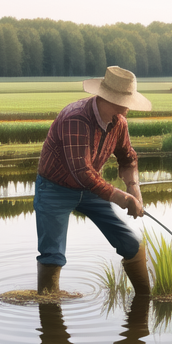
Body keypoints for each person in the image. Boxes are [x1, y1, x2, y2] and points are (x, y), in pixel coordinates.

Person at [34, 66, 151, 296]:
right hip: (54, 189)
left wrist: (133, 188)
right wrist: (121, 198)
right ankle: (49, 315)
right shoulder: (76, 118)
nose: (129, 106)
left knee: (131, 243)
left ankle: (146, 300)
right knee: (52, 255)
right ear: (112, 98)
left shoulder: (119, 123)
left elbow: (128, 159)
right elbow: (82, 171)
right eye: (126, 100)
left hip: (91, 190)